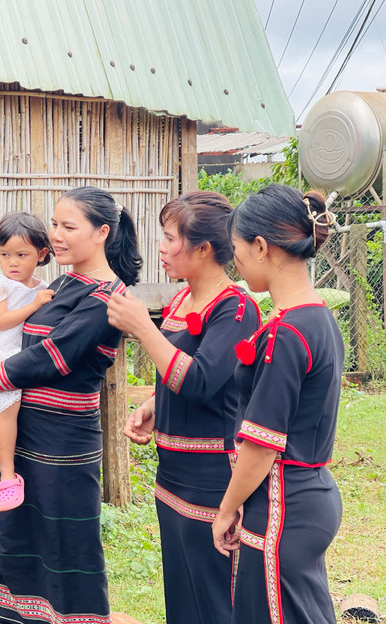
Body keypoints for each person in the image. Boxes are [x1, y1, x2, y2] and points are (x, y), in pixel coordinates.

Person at [0, 187, 143, 624]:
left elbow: (55, 357)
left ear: (103, 232)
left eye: (69, 226)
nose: (56, 235)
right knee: (19, 536)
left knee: (68, 543)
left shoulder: (106, 296)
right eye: (55, 224)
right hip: (26, 431)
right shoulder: (63, 282)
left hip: (64, 443)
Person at [105, 191, 261, 624]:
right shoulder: (179, 301)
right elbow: (179, 377)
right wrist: (156, 403)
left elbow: (200, 382)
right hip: (170, 472)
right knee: (182, 592)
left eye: (170, 237)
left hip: (212, 479)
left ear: (204, 249)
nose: (161, 246)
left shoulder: (237, 308)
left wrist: (142, 329)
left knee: (214, 598)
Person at [212, 185, 343, 623]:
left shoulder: (286, 334)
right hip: (312, 494)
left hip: (283, 505)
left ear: (262, 247)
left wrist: (227, 508)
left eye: (238, 250)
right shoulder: (320, 318)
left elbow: (264, 443)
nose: (237, 263)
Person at [0, 212, 54, 511]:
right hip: (0, 354)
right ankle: (7, 476)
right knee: (8, 411)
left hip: (23, 354)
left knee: (19, 411)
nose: (13, 262)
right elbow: (3, 321)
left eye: (22, 255)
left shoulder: (40, 284)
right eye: (5, 254)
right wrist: (35, 304)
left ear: (41, 254)